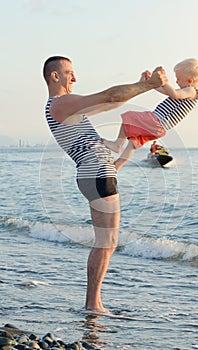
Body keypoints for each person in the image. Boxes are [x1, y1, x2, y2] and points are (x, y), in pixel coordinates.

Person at [42, 56, 167, 314]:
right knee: (107, 241)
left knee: (105, 241)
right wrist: (149, 85)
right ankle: (93, 305)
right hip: (96, 172)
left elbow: (112, 102)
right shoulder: (60, 103)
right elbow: (109, 95)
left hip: (93, 173)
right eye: (69, 72)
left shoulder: (66, 108)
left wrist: (140, 84)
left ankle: (93, 303)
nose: (74, 78)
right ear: (55, 76)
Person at [103, 58, 198, 170]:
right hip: (159, 128)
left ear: (190, 81)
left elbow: (174, 93)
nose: (176, 82)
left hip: (157, 121)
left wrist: (164, 80)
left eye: (178, 79)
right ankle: (117, 167)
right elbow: (164, 90)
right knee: (132, 143)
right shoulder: (186, 92)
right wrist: (151, 81)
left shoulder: (191, 91)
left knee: (129, 116)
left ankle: (117, 144)